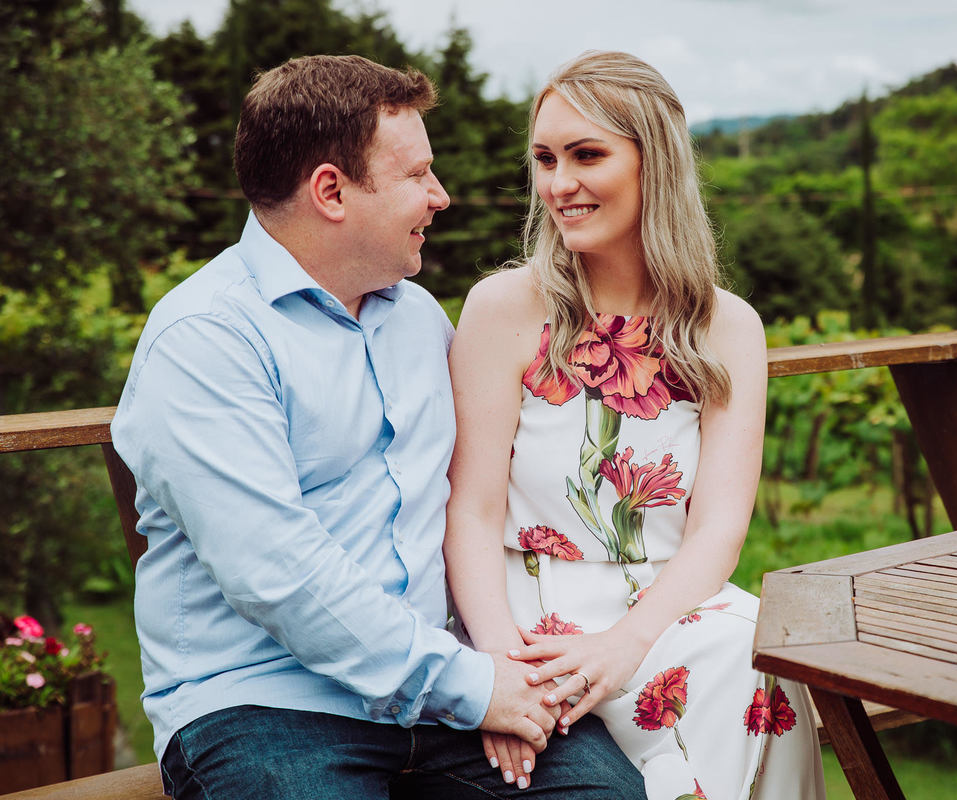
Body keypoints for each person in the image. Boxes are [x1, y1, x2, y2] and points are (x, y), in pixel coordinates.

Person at [111, 54, 645, 800]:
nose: (441, 196)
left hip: (441, 697)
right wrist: (474, 687)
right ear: (331, 191)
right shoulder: (206, 338)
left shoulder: (419, 319)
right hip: (266, 707)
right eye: (418, 174)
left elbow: (481, 495)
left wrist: (494, 666)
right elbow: (279, 575)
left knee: (605, 794)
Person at [444, 50, 826, 800]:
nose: (559, 183)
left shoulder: (726, 328)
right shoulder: (503, 309)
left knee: (761, 658)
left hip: (667, 608)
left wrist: (626, 642)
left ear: (657, 164)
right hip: (527, 614)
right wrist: (496, 668)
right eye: (545, 159)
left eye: (587, 155)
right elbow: (471, 510)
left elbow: (719, 528)